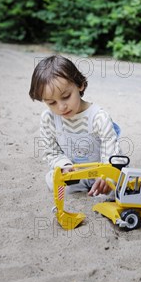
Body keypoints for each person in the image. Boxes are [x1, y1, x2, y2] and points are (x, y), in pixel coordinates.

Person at [29, 55, 121, 196]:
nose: (61, 107)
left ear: (79, 85)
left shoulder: (98, 117)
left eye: (66, 96)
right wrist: (64, 166)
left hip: (102, 171)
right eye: (51, 103)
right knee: (52, 180)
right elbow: (52, 152)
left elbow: (112, 152)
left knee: (117, 190)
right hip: (75, 174)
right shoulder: (49, 118)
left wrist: (106, 175)